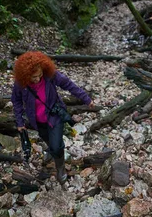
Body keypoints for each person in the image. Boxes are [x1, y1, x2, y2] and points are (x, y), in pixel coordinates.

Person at [11, 51, 94, 184]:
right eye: (33, 77)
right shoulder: (21, 84)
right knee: (47, 140)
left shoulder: (50, 75)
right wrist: (20, 122)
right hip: (37, 120)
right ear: (26, 75)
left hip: (54, 115)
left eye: (39, 75)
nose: (37, 79)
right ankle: (51, 152)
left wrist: (86, 99)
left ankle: (60, 167)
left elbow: (69, 85)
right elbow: (16, 101)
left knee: (56, 146)